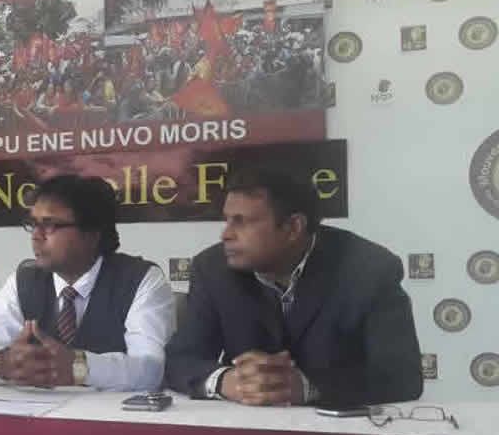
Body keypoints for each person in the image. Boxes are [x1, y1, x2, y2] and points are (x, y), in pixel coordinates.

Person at [165, 169, 423, 406]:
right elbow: (179, 361)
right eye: (227, 220)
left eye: (241, 222)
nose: (226, 234)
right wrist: (226, 381)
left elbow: (401, 376)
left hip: (340, 431)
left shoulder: (370, 270)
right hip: (247, 428)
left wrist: (308, 387)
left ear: (293, 228)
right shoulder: (212, 269)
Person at [0, 174, 174, 390]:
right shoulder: (23, 281)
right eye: (33, 224)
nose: (36, 236)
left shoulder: (141, 280)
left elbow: (151, 370)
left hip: (110, 410)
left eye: (49, 225)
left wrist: (79, 367)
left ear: (92, 233)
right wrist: (5, 364)